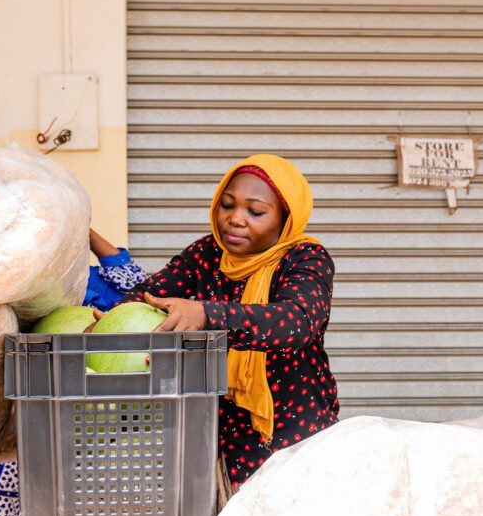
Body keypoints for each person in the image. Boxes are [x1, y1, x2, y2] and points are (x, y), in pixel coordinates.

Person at [116, 154, 339, 485]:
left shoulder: (306, 259)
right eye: (227, 205)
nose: (235, 219)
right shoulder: (208, 254)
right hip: (224, 421)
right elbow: (150, 294)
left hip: (296, 417)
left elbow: (297, 322)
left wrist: (208, 313)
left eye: (255, 211)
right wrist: (114, 319)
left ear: (286, 218)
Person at [0, 229, 146, 516]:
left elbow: (131, 275)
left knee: (88, 499)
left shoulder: (97, 279)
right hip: (35, 410)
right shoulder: (22, 285)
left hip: (104, 415)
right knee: (20, 497)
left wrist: (75, 225)